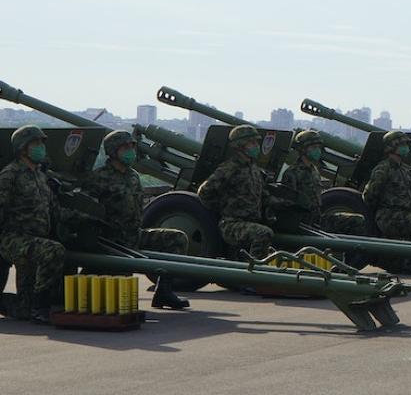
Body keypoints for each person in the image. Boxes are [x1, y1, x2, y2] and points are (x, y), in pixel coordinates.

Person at [81, 130, 190, 309]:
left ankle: (164, 291)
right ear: (113, 151)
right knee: (119, 300)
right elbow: (86, 208)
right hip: (112, 241)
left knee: (177, 238)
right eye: (125, 147)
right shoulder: (98, 178)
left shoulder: (133, 176)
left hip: (134, 235)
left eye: (132, 146)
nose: (130, 150)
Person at [0, 125, 66, 323]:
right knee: (54, 250)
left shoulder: (40, 175)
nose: (41, 148)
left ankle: (26, 306)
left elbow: (54, 209)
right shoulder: (9, 175)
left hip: (34, 240)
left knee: (23, 309)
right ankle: (41, 307)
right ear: (22, 148)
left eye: (41, 143)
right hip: (13, 238)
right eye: (35, 143)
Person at [197, 125, 273, 259]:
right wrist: (222, 208)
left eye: (256, 142)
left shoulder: (254, 169)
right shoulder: (229, 168)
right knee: (263, 234)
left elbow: (263, 196)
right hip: (232, 224)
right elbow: (204, 192)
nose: (256, 146)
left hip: (251, 222)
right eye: (252, 143)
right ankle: (254, 273)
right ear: (240, 145)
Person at [278, 130, 367, 234]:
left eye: (318, 147)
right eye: (314, 147)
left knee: (357, 220)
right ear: (302, 150)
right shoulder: (292, 173)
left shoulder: (314, 170)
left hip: (317, 218)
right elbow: (288, 205)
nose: (318, 151)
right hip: (303, 222)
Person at [363, 131, 411, 240]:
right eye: (402, 145)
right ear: (392, 147)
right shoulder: (383, 169)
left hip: (402, 214)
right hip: (387, 216)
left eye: (406, 144)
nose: (406, 148)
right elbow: (369, 196)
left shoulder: (404, 171)